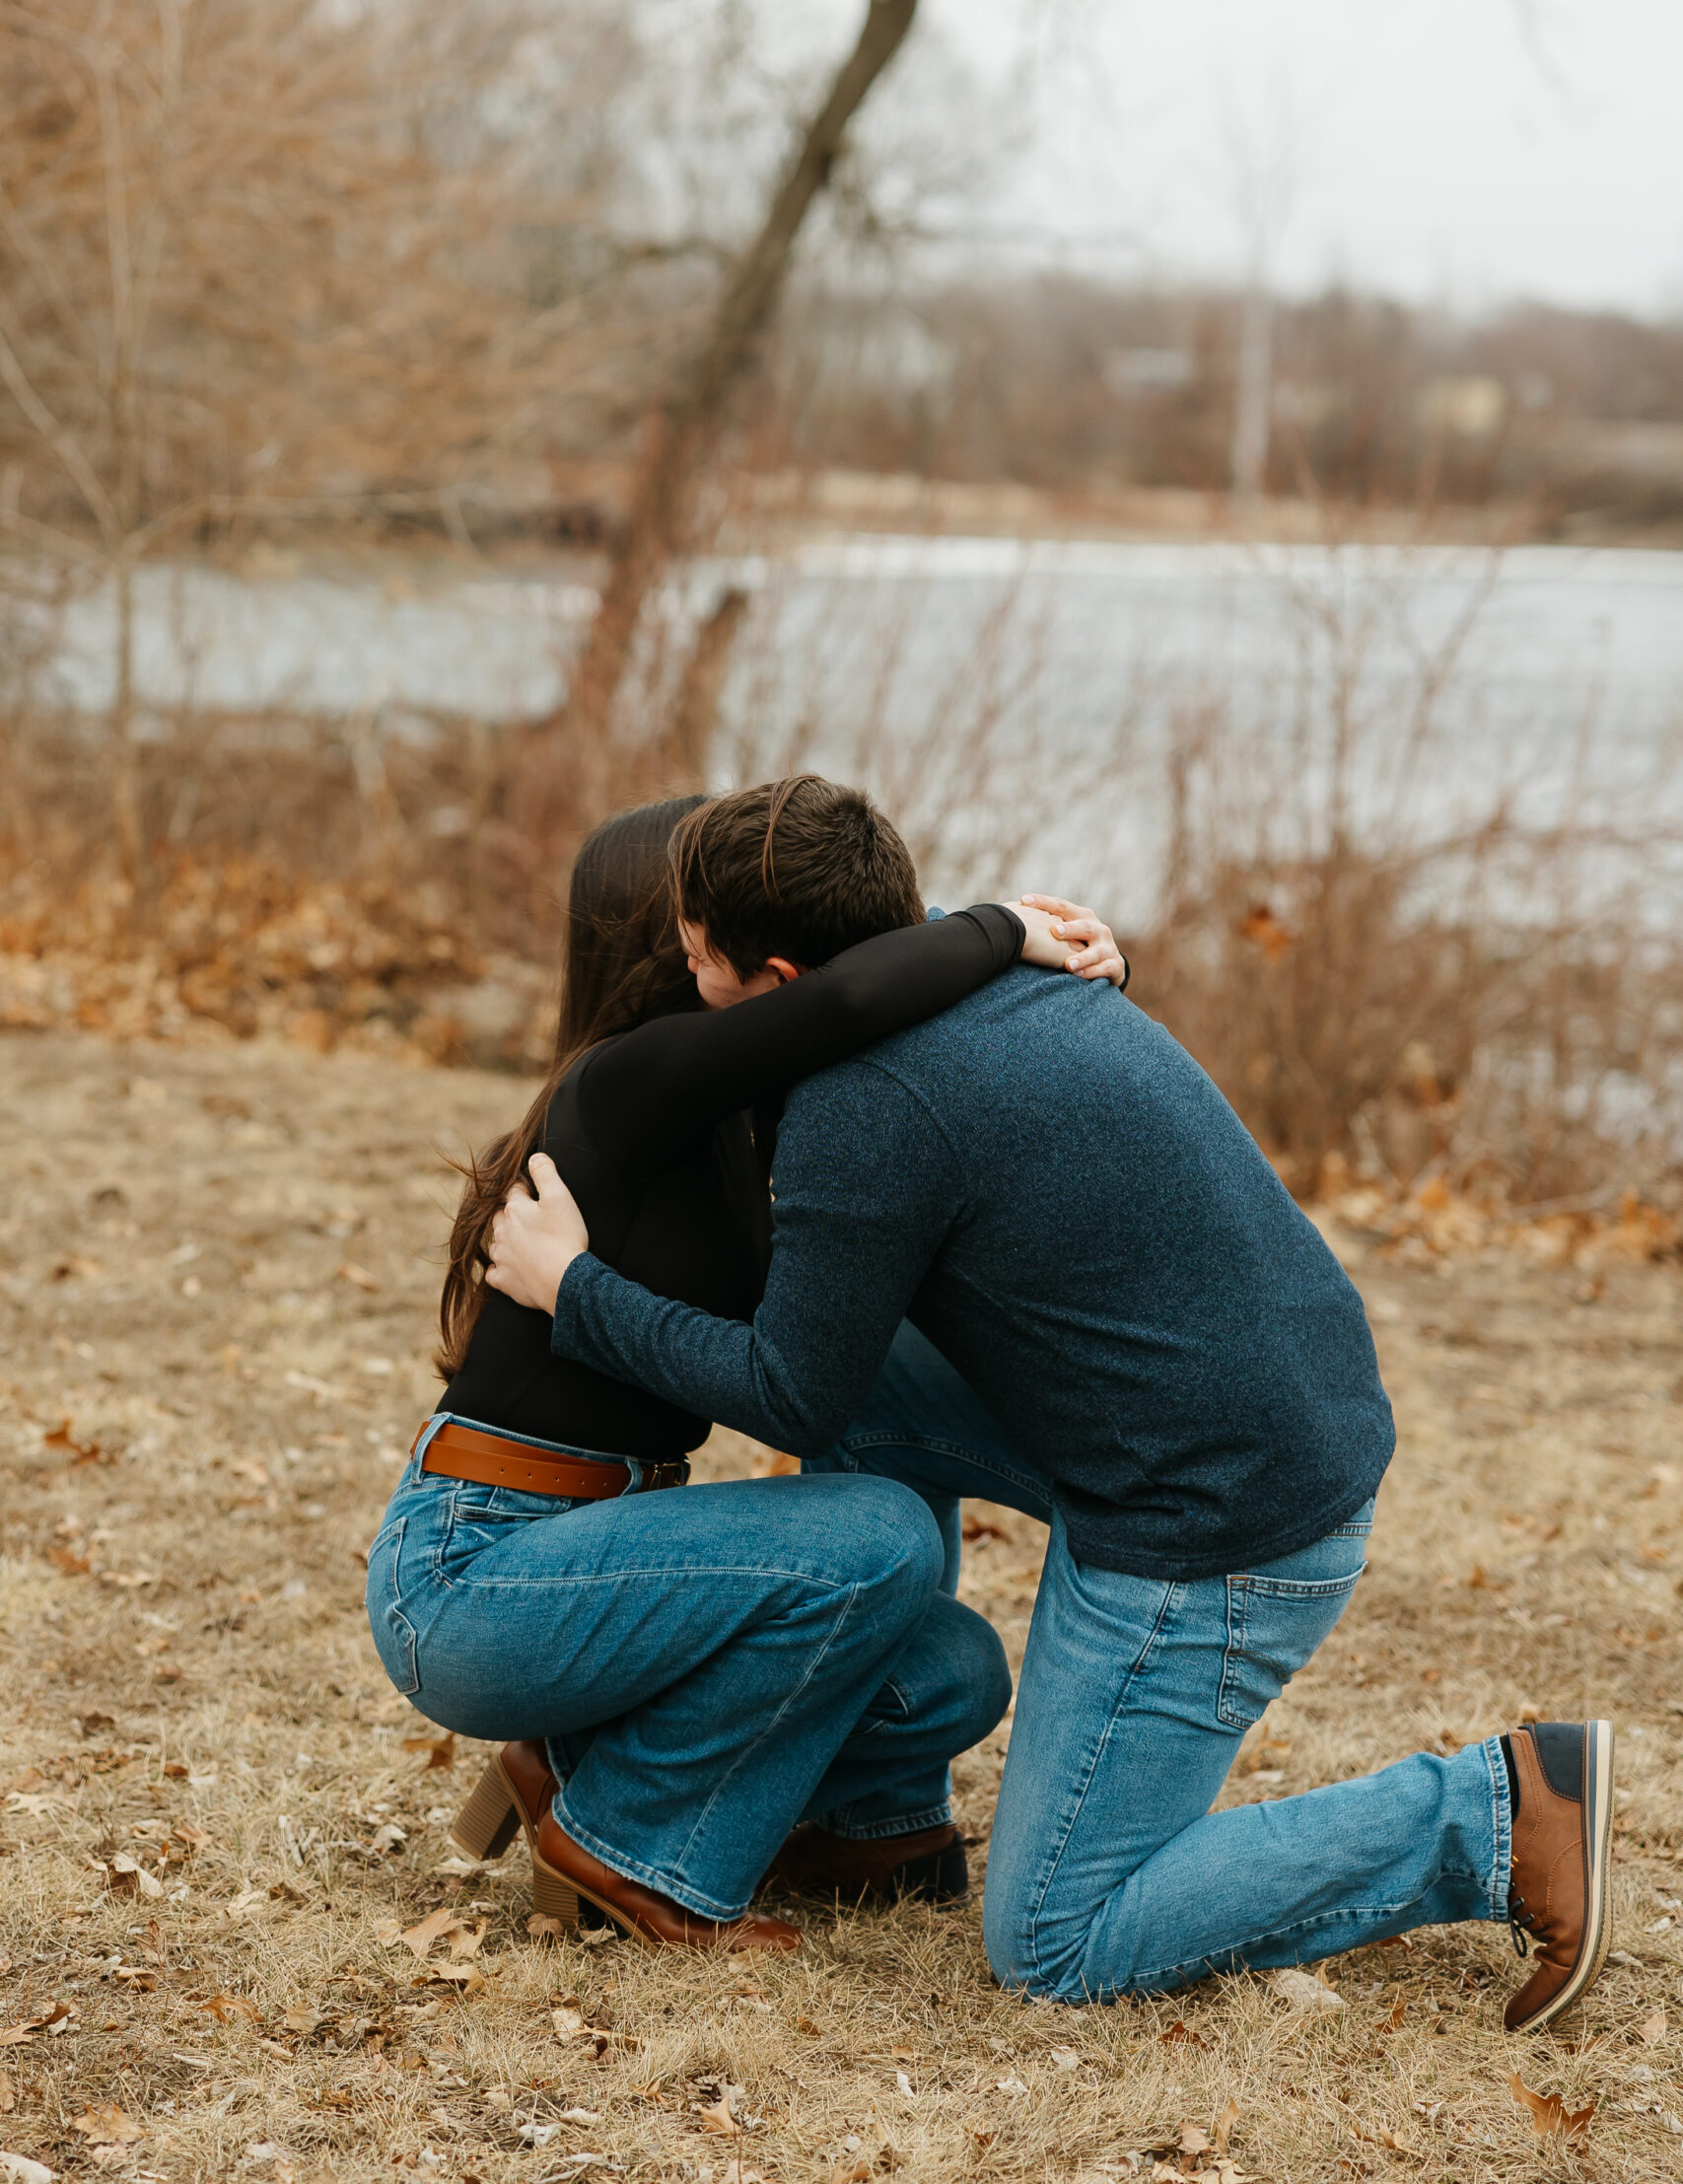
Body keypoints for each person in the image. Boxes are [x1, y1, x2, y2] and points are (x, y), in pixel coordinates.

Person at [487, 776, 1614, 2032]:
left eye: (701, 959)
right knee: (867, 1387)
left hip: (1221, 1520)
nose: (686, 978)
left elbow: (788, 1393)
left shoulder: (864, 1105)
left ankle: (1495, 1813)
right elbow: (837, 1370)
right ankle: (879, 1814)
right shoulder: (1005, 979)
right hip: (1264, 1412)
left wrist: (571, 1289)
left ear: (783, 979)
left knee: (1057, 1936)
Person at [364, 787, 1128, 1953]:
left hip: (604, 1560)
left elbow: (875, 1003)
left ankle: (598, 1763)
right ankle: (629, 1843)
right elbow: (863, 988)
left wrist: (1086, 965)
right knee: (880, 1536)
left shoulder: (741, 1111)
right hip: (475, 1575)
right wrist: (1006, 926)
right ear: (672, 937)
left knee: (950, 1670)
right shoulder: (625, 1083)